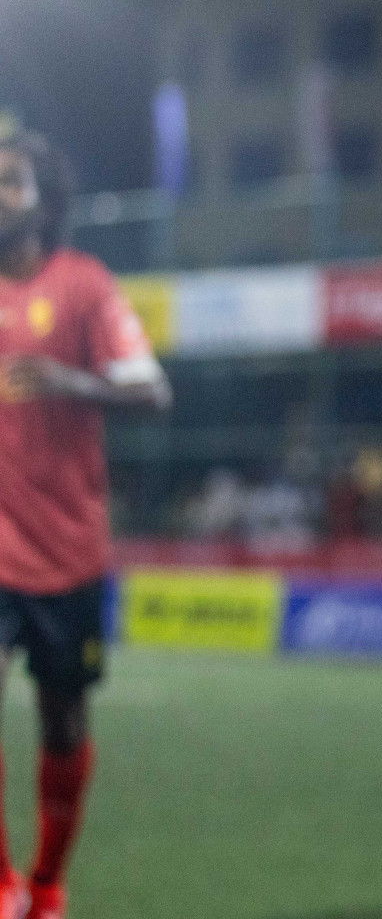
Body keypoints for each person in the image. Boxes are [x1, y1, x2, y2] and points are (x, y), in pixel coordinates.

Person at [0, 125, 171, 919]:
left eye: (12, 182)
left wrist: (71, 379)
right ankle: (1, 885)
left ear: (44, 199)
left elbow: (150, 389)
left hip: (65, 551)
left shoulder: (83, 284)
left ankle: (45, 884)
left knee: (61, 718)